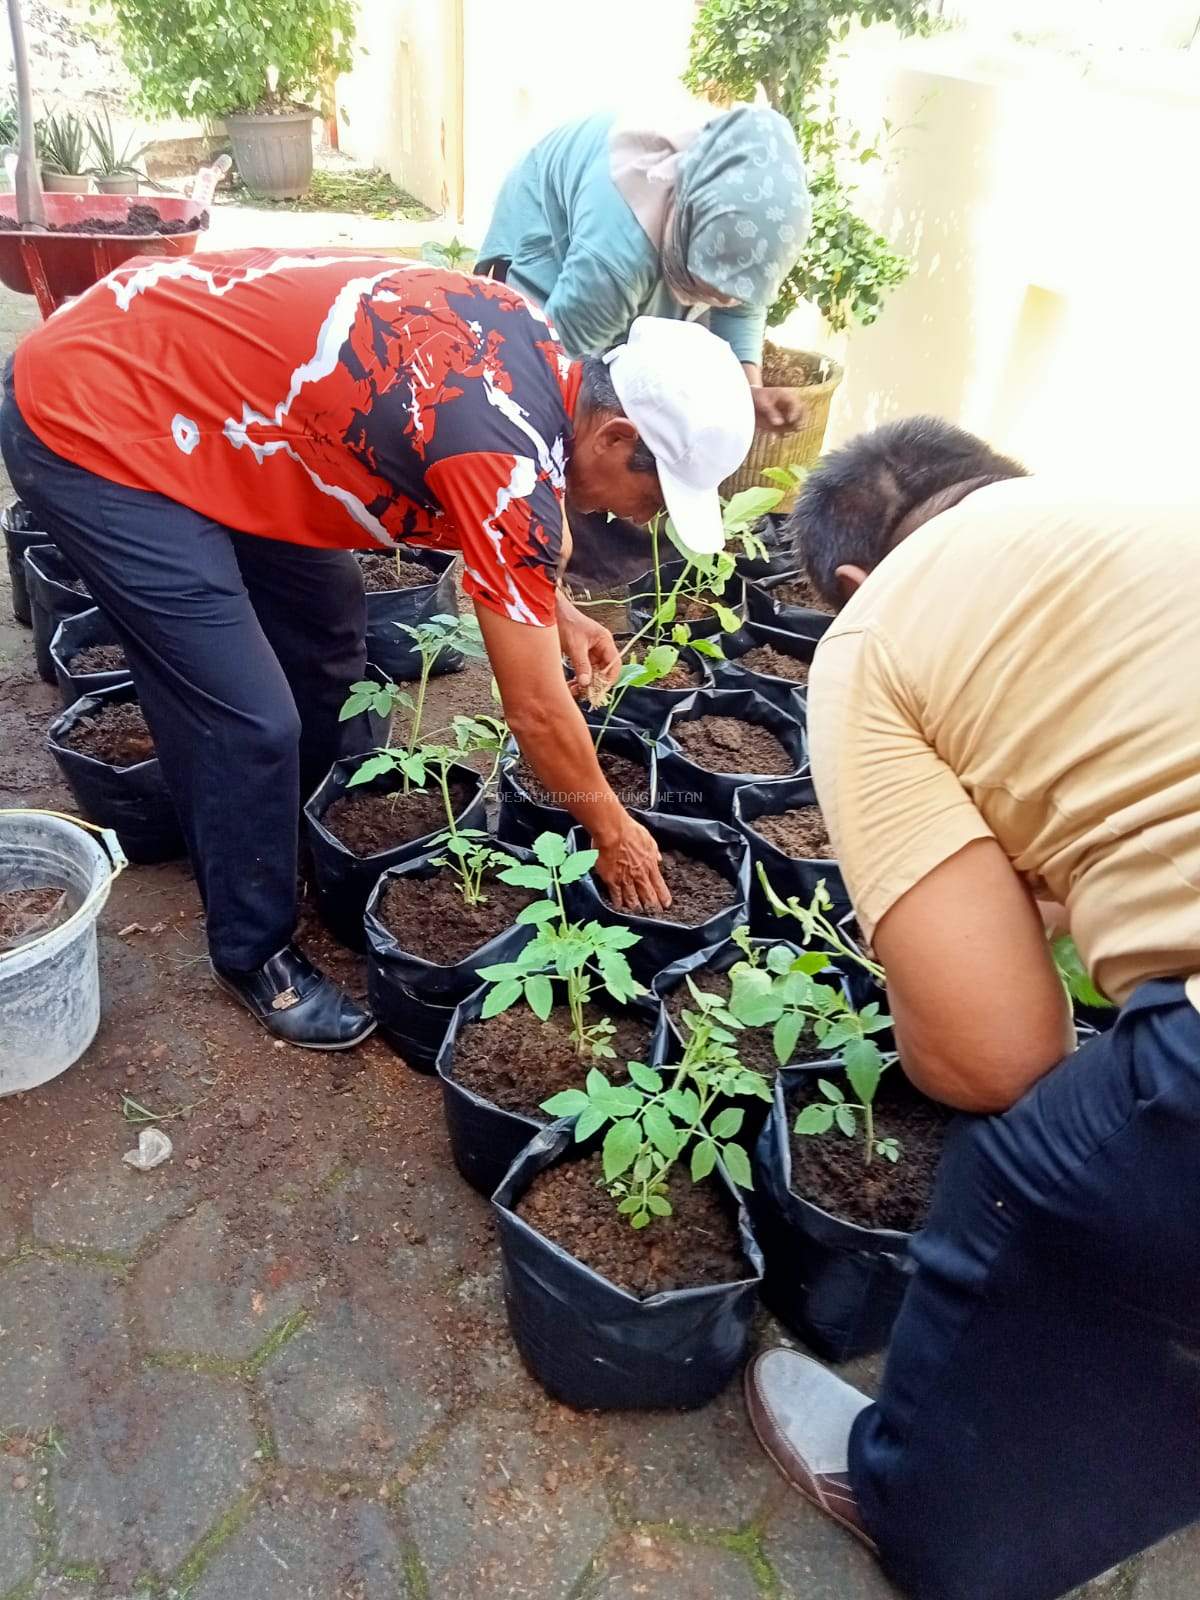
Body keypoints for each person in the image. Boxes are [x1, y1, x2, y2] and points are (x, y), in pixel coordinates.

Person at [1, 250, 753, 1050]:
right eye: (657, 495)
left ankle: (303, 819)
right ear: (616, 435)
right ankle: (254, 950)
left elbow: (494, 501)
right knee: (247, 720)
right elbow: (534, 707)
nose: (643, 518)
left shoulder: (532, 349)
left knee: (329, 622)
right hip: (97, 423)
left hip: (218, 413)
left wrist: (556, 606)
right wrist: (612, 829)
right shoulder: (504, 458)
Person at [743, 418, 1200, 1600]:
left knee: (1021, 1172)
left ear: (848, 582)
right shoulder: (1130, 520)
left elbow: (1000, 1051)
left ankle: (919, 1508)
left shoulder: (876, 633)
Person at [478, 107, 811, 586]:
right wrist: (543, 530)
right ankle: (568, 580)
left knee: (621, 455)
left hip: (637, 261)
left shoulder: (737, 231)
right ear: (688, 228)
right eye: (709, 285)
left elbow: (739, 303)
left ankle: (587, 582)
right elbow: (550, 393)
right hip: (551, 243)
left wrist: (747, 387)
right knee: (569, 442)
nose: (717, 302)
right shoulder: (613, 261)